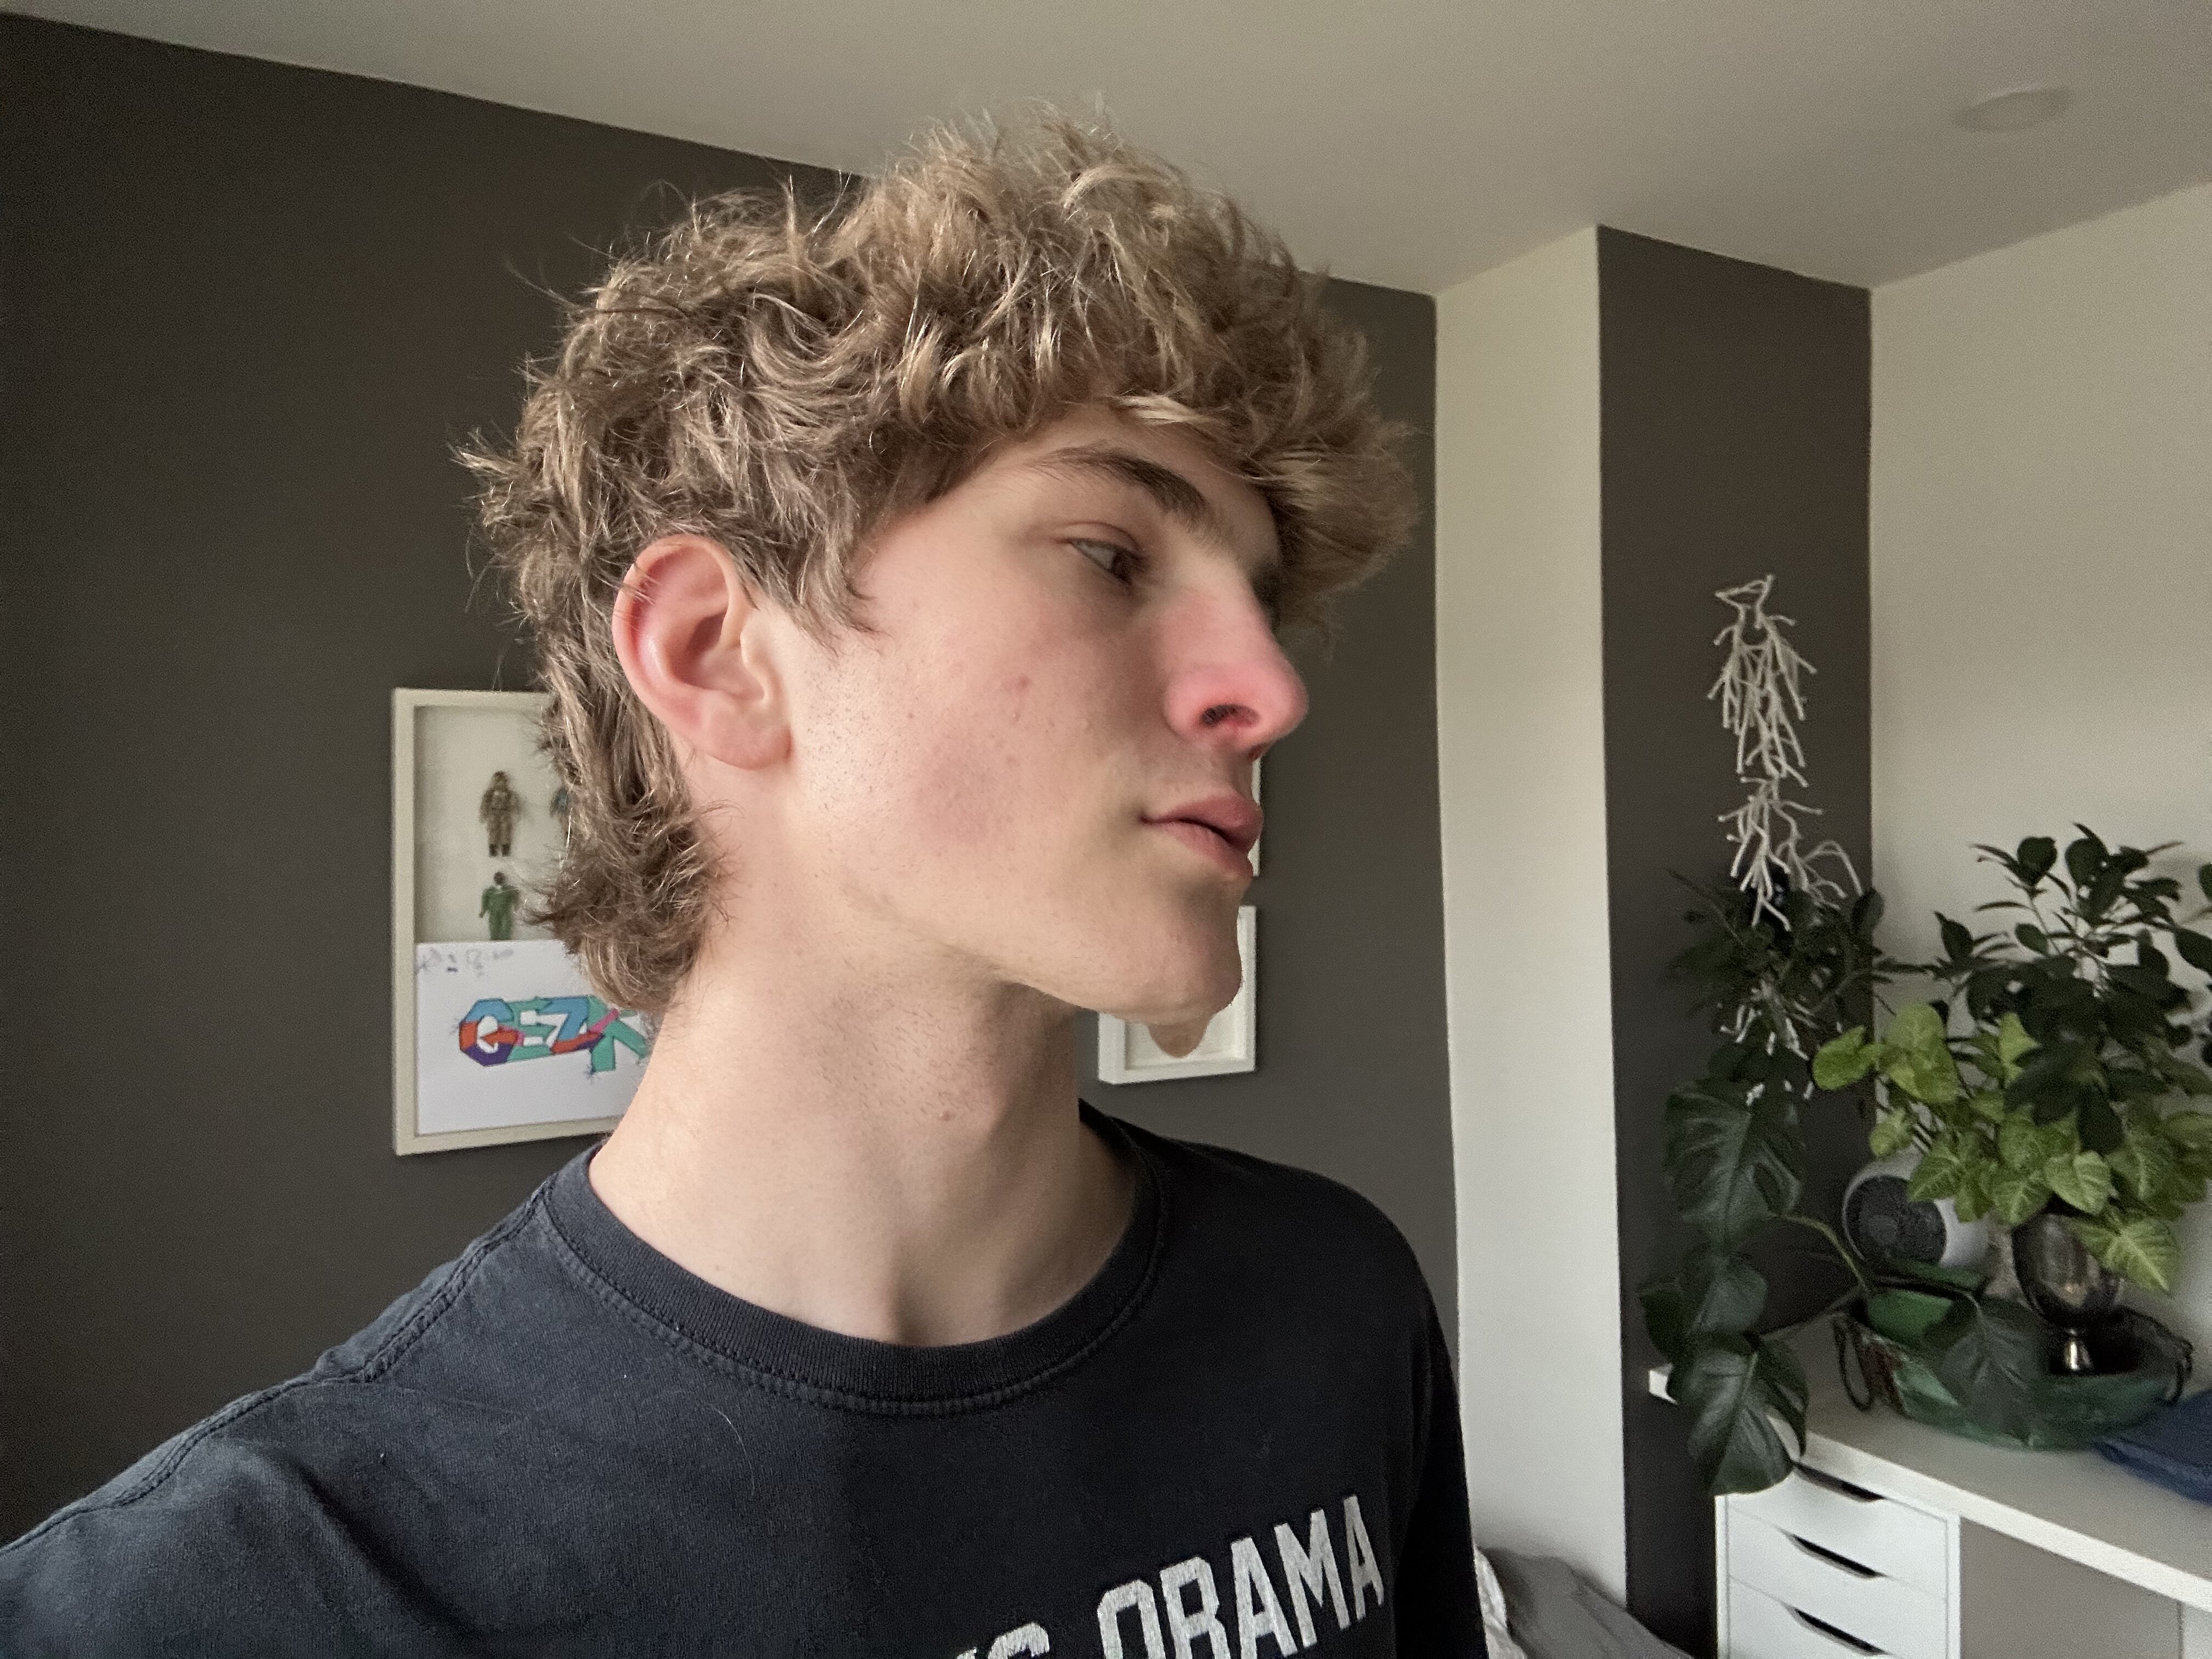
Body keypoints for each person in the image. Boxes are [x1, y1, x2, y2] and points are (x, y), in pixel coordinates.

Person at [1, 114, 1483, 1655]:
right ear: (718, 655)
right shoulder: (223, 1605)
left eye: (1262, 609)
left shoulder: (1331, 1303)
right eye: (1112, 555)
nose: (1270, 692)